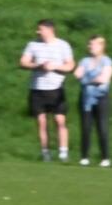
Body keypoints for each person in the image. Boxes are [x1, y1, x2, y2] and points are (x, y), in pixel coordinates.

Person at [19, 19, 75, 162]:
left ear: (49, 30)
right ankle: (45, 153)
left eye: (40, 29)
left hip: (56, 88)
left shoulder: (63, 45)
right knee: (41, 122)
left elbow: (70, 65)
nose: (37, 32)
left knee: (59, 120)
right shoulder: (33, 45)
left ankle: (63, 152)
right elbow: (23, 62)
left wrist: (54, 67)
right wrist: (38, 65)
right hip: (37, 89)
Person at [75, 34, 112, 167]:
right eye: (89, 44)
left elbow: (104, 79)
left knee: (102, 128)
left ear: (101, 46)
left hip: (101, 98)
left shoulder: (107, 61)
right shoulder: (85, 61)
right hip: (86, 98)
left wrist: (87, 80)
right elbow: (77, 74)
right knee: (85, 128)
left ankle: (105, 158)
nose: (90, 46)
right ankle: (84, 157)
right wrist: (92, 80)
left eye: (93, 44)